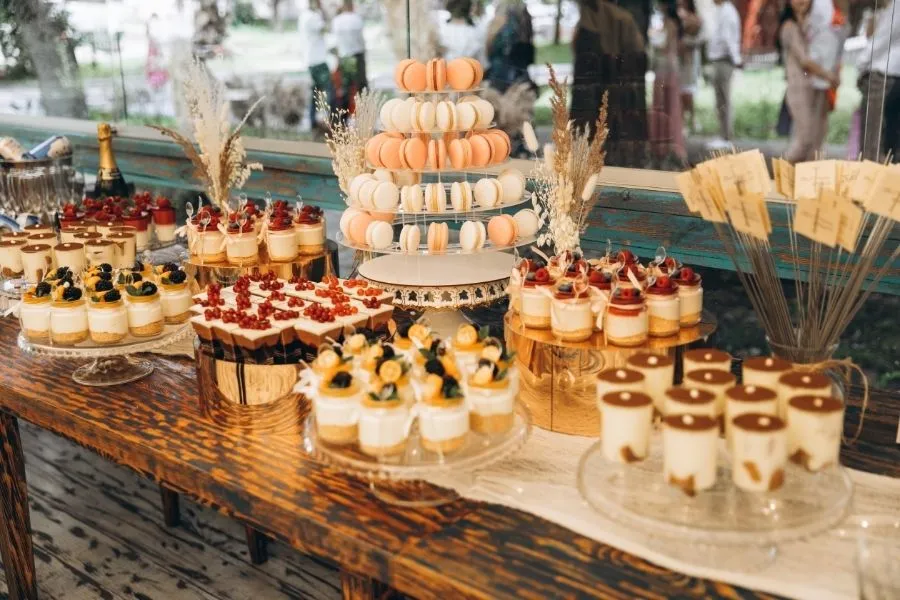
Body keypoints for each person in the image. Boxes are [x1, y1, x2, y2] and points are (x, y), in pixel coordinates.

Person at [571, 0, 648, 168]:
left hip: (609, 98)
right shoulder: (592, 17)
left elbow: (635, 62)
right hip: (591, 99)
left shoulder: (619, 19)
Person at [778, 0, 840, 162]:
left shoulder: (810, 24)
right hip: (798, 89)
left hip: (816, 87)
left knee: (816, 141)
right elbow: (805, 61)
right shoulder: (789, 27)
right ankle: (781, 172)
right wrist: (828, 76)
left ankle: (804, 176)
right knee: (804, 139)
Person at [857, 0, 900, 161]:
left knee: (872, 140)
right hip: (890, 74)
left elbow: (881, 40)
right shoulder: (886, 8)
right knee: (886, 138)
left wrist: (861, 64)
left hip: (882, 74)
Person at [648, 0, 686, 164]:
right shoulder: (669, 23)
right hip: (667, 67)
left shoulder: (669, 24)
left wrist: (652, 39)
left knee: (665, 104)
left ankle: (664, 144)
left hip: (666, 68)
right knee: (667, 105)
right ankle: (664, 144)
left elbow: (664, 46)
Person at [705, 0, 742, 143]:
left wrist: (736, 59)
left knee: (723, 99)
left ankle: (726, 136)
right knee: (720, 100)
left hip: (724, 60)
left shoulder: (727, 12)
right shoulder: (722, 10)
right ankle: (723, 134)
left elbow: (728, 39)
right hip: (720, 60)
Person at [485, 0, 536, 93]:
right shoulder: (523, 9)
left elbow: (489, 41)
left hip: (501, 71)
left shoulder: (502, 10)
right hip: (520, 70)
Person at [332, 0, 367, 111]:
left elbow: (335, 41)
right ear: (352, 5)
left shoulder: (337, 21)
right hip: (357, 56)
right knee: (361, 86)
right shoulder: (357, 19)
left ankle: (343, 115)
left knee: (346, 87)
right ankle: (365, 113)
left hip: (345, 57)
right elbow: (361, 39)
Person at [304, 0, 333, 130]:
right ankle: (333, 121)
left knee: (315, 92)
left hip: (310, 59)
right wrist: (323, 11)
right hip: (319, 61)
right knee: (330, 90)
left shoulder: (304, 16)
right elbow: (327, 28)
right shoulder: (313, 17)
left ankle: (312, 121)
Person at [677, 0, 702, 133]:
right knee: (681, 91)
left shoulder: (694, 18)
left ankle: (692, 119)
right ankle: (683, 121)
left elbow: (698, 36)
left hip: (690, 59)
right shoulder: (678, 14)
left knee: (688, 90)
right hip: (680, 58)